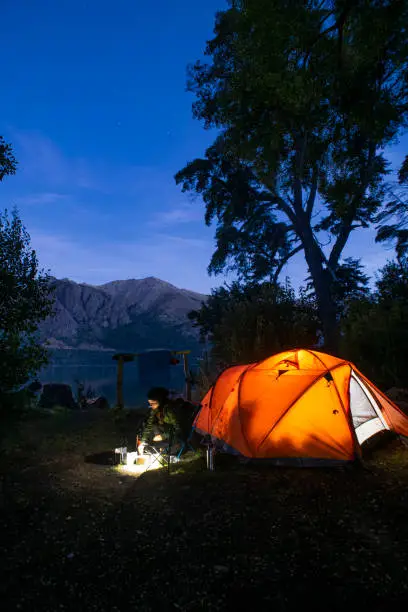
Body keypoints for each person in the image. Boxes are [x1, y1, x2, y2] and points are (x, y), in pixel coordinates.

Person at [138, 387, 197, 455]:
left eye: (153, 403)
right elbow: (148, 425)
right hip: (166, 432)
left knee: (173, 447)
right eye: (150, 404)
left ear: (160, 401)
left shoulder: (170, 410)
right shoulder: (155, 409)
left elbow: (179, 429)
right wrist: (143, 442)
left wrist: (163, 436)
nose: (151, 406)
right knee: (151, 426)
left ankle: (166, 449)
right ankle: (158, 447)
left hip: (175, 435)